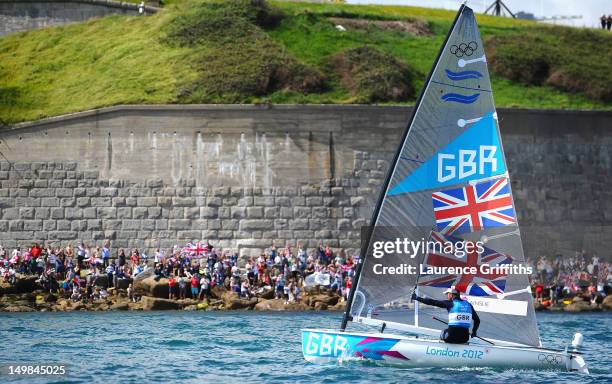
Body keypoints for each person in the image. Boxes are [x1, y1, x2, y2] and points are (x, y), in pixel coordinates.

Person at [412, 287, 480, 344]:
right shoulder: (469, 305)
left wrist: (417, 298)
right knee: (459, 333)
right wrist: (474, 332)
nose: (447, 296)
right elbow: (477, 320)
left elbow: (432, 302)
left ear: (451, 295)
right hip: (464, 338)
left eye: (447, 294)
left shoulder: (450, 303)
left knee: (443, 332)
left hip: (451, 338)